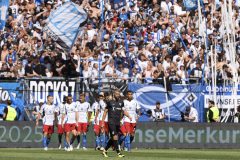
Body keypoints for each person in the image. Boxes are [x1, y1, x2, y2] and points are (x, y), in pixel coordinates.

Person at [101, 89, 125, 158]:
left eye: (119, 93)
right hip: (111, 122)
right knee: (115, 137)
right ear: (114, 94)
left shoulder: (121, 102)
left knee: (113, 138)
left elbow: (122, 112)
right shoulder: (110, 102)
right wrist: (102, 122)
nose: (118, 95)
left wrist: (124, 118)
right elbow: (105, 112)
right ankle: (118, 152)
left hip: (117, 122)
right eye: (116, 94)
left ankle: (105, 150)